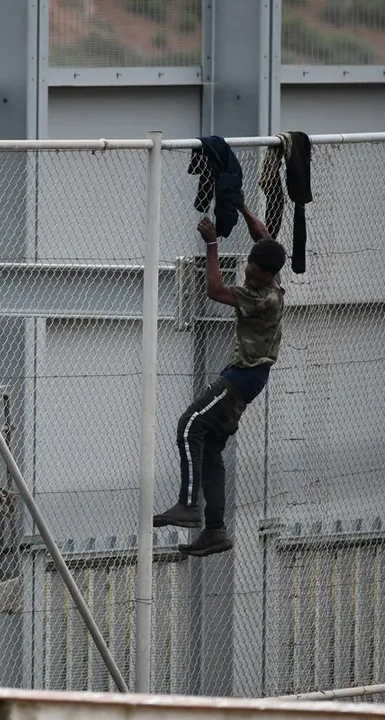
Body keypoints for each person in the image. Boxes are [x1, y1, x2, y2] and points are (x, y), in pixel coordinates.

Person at [153, 205, 286, 558]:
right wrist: (240, 205)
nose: (252, 277)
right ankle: (215, 530)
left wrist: (212, 244)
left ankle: (188, 504)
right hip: (249, 378)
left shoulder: (261, 297)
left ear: (268, 275)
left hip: (242, 376)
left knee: (189, 426)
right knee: (210, 447)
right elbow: (264, 235)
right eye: (251, 271)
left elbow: (213, 289)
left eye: (257, 275)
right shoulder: (272, 270)